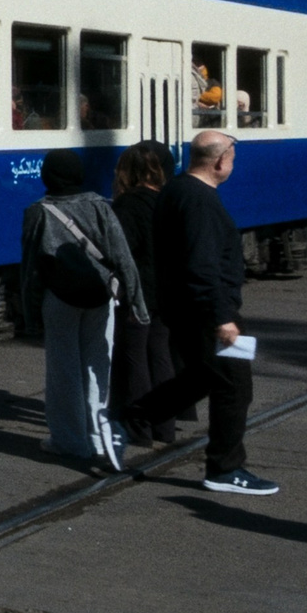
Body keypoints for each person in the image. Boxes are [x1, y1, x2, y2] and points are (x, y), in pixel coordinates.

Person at [119, 130, 277, 495]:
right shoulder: (199, 202)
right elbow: (202, 265)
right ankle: (225, 468)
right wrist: (224, 318)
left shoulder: (176, 189)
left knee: (203, 378)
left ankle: (135, 417)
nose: (232, 165)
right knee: (235, 387)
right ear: (221, 162)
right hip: (210, 312)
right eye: (233, 159)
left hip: (191, 308)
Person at [19, 149, 145, 471]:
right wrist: (137, 304)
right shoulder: (101, 205)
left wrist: (29, 315)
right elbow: (123, 257)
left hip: (59, 299)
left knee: (63, 370)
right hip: (100, 295)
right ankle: (99, 438)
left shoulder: (38, 212)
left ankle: (69, 442)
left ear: (46, 176)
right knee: (96, 367)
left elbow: (31, 269)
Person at [108, 141, 178, 444]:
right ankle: (165, 426)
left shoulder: (129, 204)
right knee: (159, 353)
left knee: (134, 355)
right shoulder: (169, 199)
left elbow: (122, 251)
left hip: (140, 291)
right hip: (167, 288)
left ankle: (140, 428)